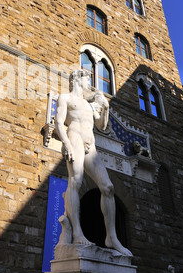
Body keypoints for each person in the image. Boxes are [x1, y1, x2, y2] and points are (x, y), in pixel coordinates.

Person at [55, 69, 131, 256]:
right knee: (76, 181)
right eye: (88, 78)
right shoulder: (65, 98)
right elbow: (58, 121)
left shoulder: (89, 105)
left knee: (108, 187)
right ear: (77, 79)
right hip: (74, 138)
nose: (90, 82)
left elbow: (102, 126)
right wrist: (66, 143)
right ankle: (78, 233)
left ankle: (111, 237)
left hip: (92, 145)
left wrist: (105, 107)